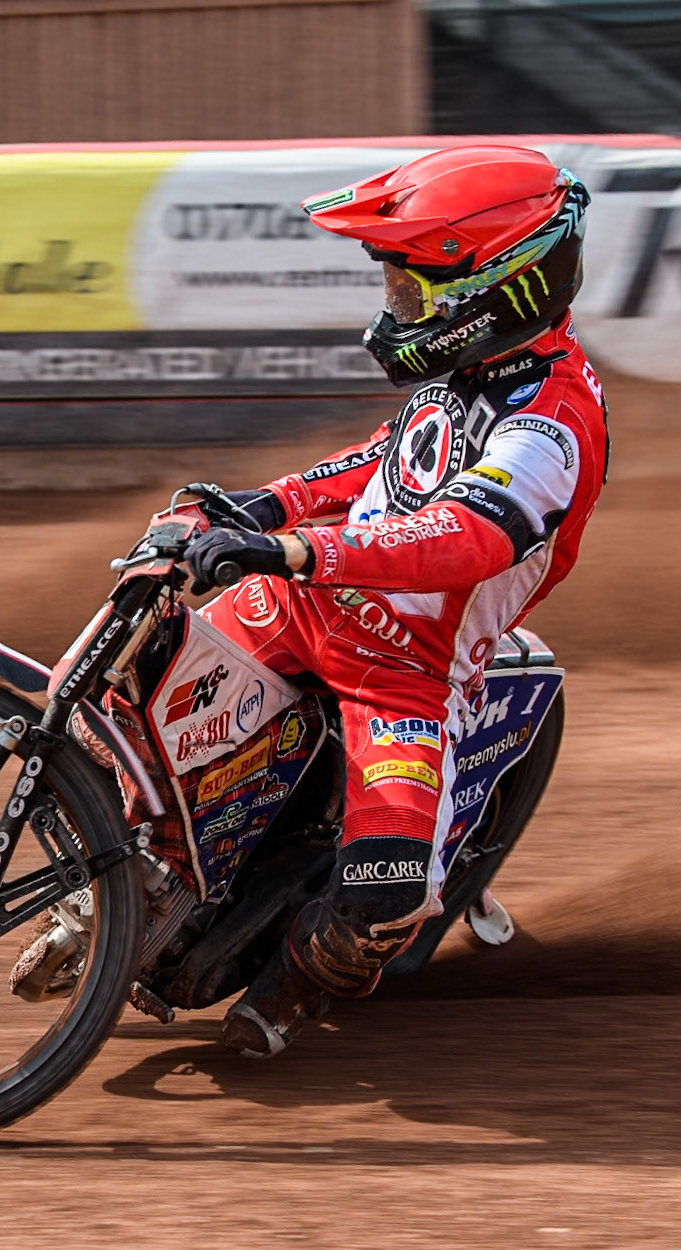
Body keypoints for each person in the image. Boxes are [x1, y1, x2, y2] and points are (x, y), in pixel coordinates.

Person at [180, 146, 609, 1056]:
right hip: (300, 606)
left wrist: (294, 547)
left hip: (407, 678)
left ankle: (293, 985)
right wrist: (265, 503)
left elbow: (464, 539)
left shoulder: (552, 421)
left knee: (386, 898)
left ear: (496, 290)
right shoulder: (472, 376)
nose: (396, 310)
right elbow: (379, 463)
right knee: (126, 682)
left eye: (415, 293)